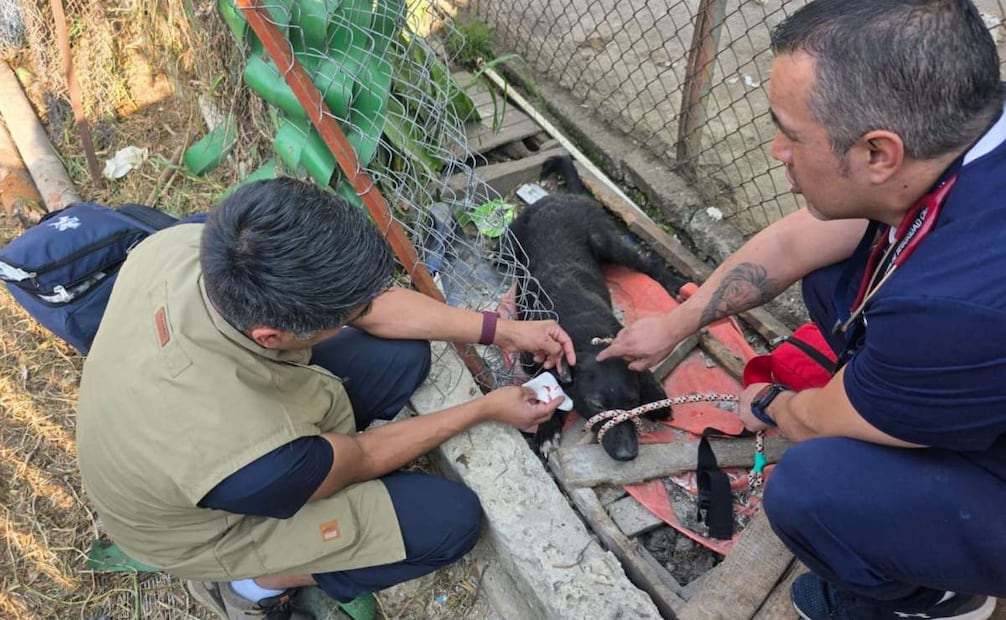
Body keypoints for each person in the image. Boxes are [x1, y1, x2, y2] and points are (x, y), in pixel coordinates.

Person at [598, 1, 1006, 618]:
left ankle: (932, 596)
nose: (776, 150)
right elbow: (794, 243)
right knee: (839, 272)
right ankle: (915, 408)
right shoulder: (964, 141)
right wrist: (678, 322)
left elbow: (815, 422)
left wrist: (770, 403)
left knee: (812, 488)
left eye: (790, 134)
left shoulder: (950, 304)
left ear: (879, 154)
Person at [75, 178, 574, 619]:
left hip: (190, 417)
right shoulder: (248, 459)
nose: (362, 311)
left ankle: (310, 465)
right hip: (210, 523)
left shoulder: (198, 247)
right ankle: (254, 584)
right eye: (345, 312)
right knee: (447, 522)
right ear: (271, 335)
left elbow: (371, 310)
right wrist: (486, 407)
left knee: (401, 358)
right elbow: (361, 457)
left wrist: (501, 330)